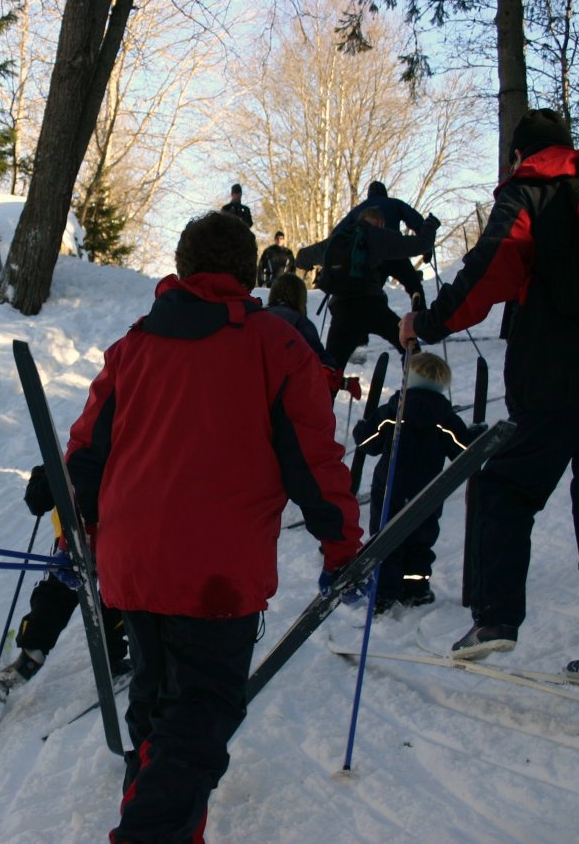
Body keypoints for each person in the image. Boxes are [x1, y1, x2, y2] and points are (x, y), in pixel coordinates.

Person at [65, 210, 363, 842]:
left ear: (183, 266)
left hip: (133, 569)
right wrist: (341, 545)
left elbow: (86, 455)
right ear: (246, 272)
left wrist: (76, 531)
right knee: (195, 730)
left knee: (156, 725)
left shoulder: (133, 347)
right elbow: (314, 458)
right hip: (213, 580)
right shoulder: (274, 346)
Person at [399, 108, 579, 681]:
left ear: (518, 155)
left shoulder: (530, 193)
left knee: (505, 487)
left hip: (560, 382)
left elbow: (488, 272)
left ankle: (496, 620)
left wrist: (426, 324)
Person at [353, 352, 482, 612]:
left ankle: (384, 593)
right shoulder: (445, 419)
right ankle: (416, 589)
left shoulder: (392, 411)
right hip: (427, 492)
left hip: (389, 489)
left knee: (386, 539)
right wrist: (476, 434)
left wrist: (362, 428)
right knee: (420, 540)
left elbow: (368, 444)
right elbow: (464, 452)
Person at [0, 466, 129, 692]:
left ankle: (31, 654)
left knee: (56, 593)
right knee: (117, 596)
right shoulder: (118, 447)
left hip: (74, 539)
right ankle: (113, 659)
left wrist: (41, 475)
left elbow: (37, 503)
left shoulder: (67, 458)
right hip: (114, 537)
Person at [308, 205, 438, 371]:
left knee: (331, 368)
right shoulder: (380, 235)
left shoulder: (340, 239)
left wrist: (311, 266)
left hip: (341, 309)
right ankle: (415, 384)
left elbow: (302, 257)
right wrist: (431, 224)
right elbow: (421, 244)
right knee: (407, 343)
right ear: (379, 222)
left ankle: (327, 394)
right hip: (372, 306)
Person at [266, 272, 353, 397]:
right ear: (300, 297)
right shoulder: (299, 323)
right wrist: (343, 382)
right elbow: (321, 366)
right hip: (284, 400)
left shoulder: (257, 316)